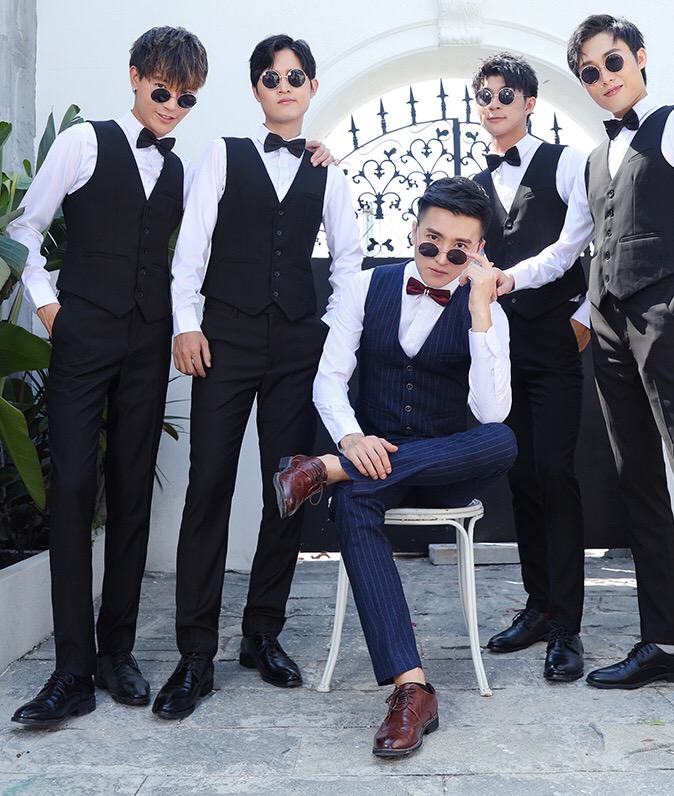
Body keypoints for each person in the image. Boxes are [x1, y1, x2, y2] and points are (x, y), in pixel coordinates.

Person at [496, 14, 674, 728]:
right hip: (609, 326)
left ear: (639, 57)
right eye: (589, 72)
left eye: (612, 62)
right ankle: (664, 642)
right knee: (636, 480)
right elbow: (569, 248)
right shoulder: (595, 157)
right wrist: (508, 278)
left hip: (667, 319)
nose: (603, 78)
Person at [152, 34, 361, 720]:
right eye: (272, 78)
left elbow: (350, 261)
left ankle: (262, 634)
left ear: (311, 86)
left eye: (295, 76)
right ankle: (194, 654)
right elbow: (192, 246)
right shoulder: (224, 153)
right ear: (256, 90)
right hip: (225, 338)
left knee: (288, 487)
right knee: (208, 486)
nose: (284, 86)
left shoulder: (329, 171)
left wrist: (328, 335)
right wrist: (186, 323)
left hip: (297, 343)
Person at [273, 176, 517, 757]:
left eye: (459, 250)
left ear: (477, 253)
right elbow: (329, 379)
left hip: (441, 468)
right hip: (372, 459)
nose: (440, 257)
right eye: (432, 241)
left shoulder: (486, 312)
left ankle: (325, 469)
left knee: (503, 440)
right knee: (355, 503)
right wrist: (352, 437)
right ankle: (412, 689)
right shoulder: (366, 287)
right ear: (413, 230)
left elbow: (491, 412)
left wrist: (479, 310)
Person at [8, 26, 209, 727]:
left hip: (148, 343)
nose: (172, 106)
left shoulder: (184, 171)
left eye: (185, 98)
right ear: (134, 77)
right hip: (83, 334)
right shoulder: (84, 143)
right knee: (70, 487)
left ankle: (114, 652)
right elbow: (26, 227)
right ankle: (71, 669)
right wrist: (49, 308)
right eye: (162, 91)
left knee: (130, 490)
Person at [471, 52, 589, 682]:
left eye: (505, 94)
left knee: (555, 473)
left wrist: (584, 317)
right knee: (519, 477)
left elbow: (580, 244)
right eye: (484, 95)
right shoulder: (474, 184)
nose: (494, 103)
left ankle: (567, 626)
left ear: (529, 103)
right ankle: (539, 607)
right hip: (501, 347)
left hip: (552, 341)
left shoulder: (566, 163)